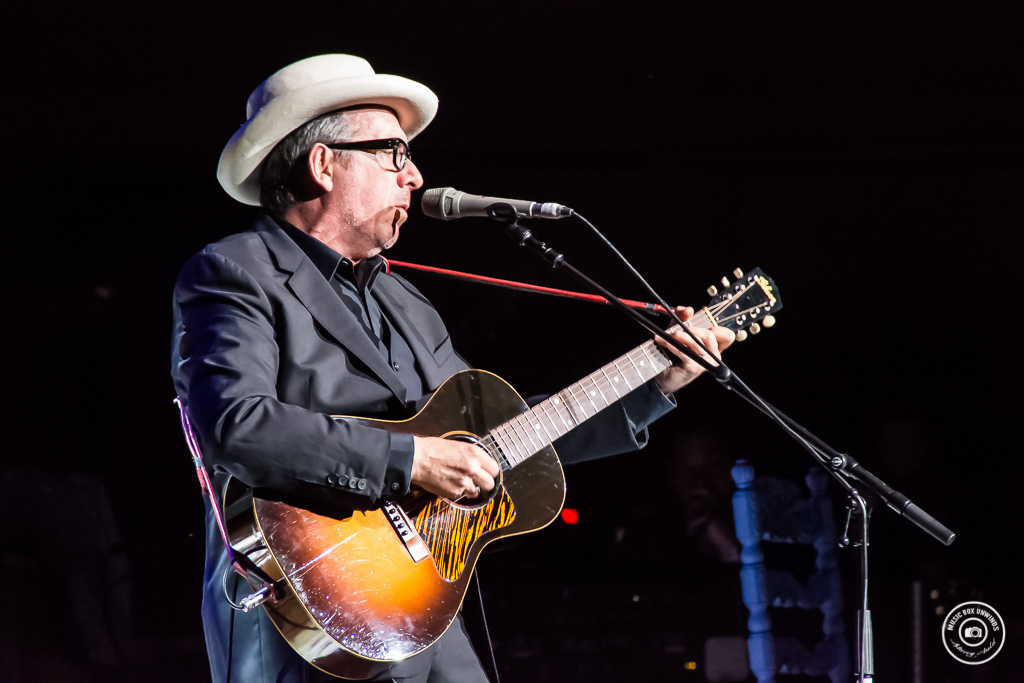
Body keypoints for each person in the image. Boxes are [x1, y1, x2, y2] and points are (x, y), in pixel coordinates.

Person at [171, 54, 734, 683]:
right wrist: (412, 461)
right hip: (306, 610)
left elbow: (504, 437)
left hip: (419, 606)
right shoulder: (235, 271)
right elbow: (237, 426)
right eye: (393, 153)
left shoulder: (404, 300)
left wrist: (655, 381)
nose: (414, 177)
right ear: (323, 164)